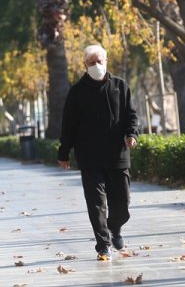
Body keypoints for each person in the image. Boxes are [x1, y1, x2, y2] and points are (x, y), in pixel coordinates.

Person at [57, 44, 139, 261]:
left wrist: (132, 134)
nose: (96, 66)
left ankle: (115, 227)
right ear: (85, 64)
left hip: (117, 155)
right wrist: (63, 153)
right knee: (96, 204)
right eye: (91, 62)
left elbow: (131, 115)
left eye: (99, 61)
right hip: (89, 158)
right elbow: (69, 125)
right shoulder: (77, 92)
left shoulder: (120, 86)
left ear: (106, 61)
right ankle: (103, 245)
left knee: (122, 203)